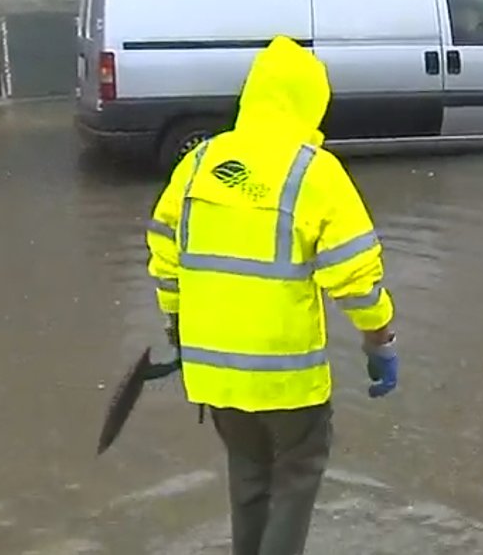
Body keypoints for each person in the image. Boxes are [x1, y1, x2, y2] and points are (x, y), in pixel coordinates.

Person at [144, 35, 398, 555]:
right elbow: (356, 277)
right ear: (312, 102)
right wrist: (379, 343)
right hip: (287, 380)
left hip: (215, 375)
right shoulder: (313, 172)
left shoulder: (200, 162)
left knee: (249, 478)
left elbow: (165, 255)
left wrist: (176, 328)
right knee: (296, 482)